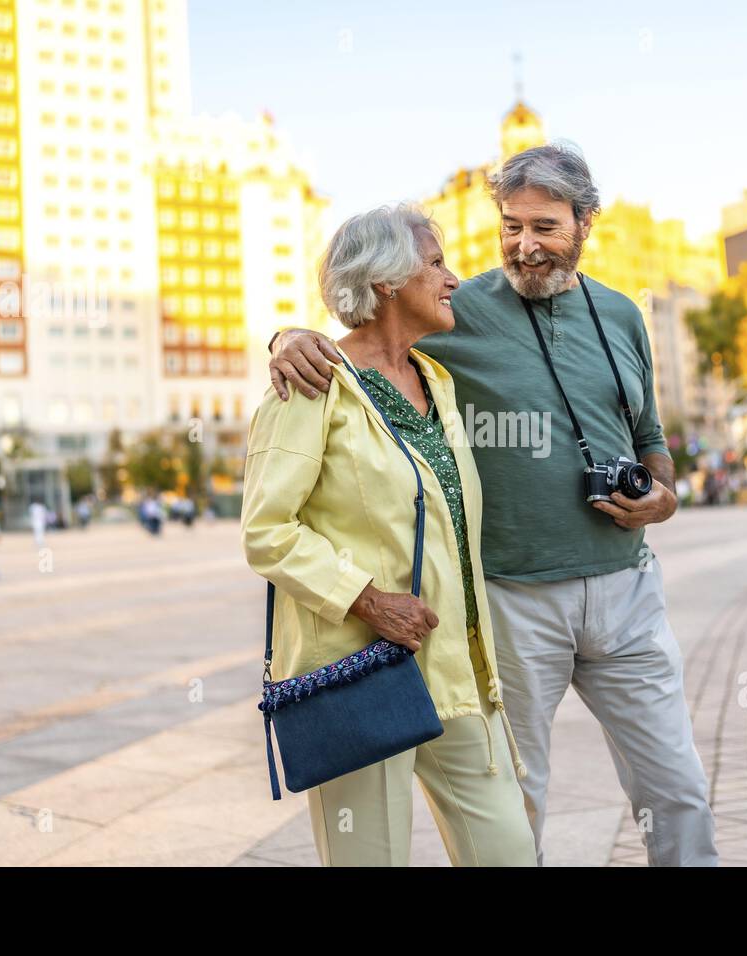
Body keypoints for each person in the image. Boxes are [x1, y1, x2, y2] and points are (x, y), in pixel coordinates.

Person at [267, 146, 717, 867]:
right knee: (517, 800)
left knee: (678, 788)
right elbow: (367, 339)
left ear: (585, 224)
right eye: (511, 226)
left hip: (628, 589)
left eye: (544, 226)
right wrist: (287, 337)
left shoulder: (624, 315)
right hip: (513, 597)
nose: (525, 245)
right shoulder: (455, 309)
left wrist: (660, 496)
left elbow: (650, 436)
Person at [242, 204, 535, 867]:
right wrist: (366, 598)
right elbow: (266, 531)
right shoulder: (312, 385)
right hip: (363, 674)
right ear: (387, 281)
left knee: (510, 850)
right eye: (436, 262)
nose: (453, 277)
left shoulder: (439, 380)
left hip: (459, 670)